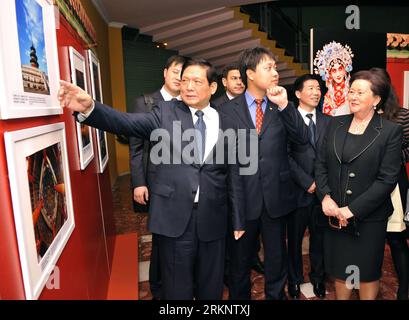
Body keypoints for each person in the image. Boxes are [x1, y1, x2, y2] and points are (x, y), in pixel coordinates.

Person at [58, 58, 247, 300]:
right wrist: (89, 108)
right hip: (175, 216)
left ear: (212, 87)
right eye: (185, 80)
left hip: (213, 216)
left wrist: (238, 219)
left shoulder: (226, 120)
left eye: (197, 81)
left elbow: (234, 174)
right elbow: (127, 123)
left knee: (211, 285)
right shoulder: (165, 112)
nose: (188, 86)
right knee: (177, 288)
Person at [219, 46, 309, 300]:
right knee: (239, 266)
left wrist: (285, 106)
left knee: (276, 261)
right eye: (268, 67)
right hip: (242, 200)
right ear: (249, 73)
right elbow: (226, 162)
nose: (275, 73)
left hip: (276, 199)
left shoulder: (280, 106)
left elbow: (302, 139)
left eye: (275, 67)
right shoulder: (226, 111)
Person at [315, 70, 403, 300]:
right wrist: (325, 196)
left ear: (376, 99)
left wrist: (352, 210)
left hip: (369, 219)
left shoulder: (389, 131)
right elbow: (321, 164)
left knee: (366, 272)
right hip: (335, 215)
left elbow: (387, 180)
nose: (352, 96)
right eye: (351, 91)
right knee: (341, 269)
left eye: (360, 92)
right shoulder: (335, 124)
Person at [129, 55, 185, 300]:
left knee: (182, 233)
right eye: (175, 71)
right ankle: (159, 287)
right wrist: (139, 182)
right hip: (156, 182)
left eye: (183, 72)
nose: (179, 76)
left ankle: (181, 282)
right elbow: (136, 147)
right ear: (165, 73)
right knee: (161, 237)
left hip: (184, 183)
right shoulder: (145, 102)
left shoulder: (189, 104)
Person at [287, 74, 331, 299]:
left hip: (322, 194)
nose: (316, 92)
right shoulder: (287, 119)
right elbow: (284, 156)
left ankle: (318, 278)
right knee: (294, 240)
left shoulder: (328, 121)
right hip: (296, 191)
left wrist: (321, 186)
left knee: (320, 239)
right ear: (297, 94)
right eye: (311, 88)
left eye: (318, 88)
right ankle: (294, 280)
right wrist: (307, 182)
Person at [370, 67, 409, 300]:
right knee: (370, 238)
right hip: (367, 184)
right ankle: (367, 285)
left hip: (394, 183)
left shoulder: (402, 115)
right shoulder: (363, 114)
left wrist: (391, 157)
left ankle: (404, 288)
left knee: (395, 237)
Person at [313, 41, 354, 116]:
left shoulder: (352, 89)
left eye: (340, 69)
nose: (338, 74)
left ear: (345, 70)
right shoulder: (327, 95)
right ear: (329, 73)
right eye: (334, 71)